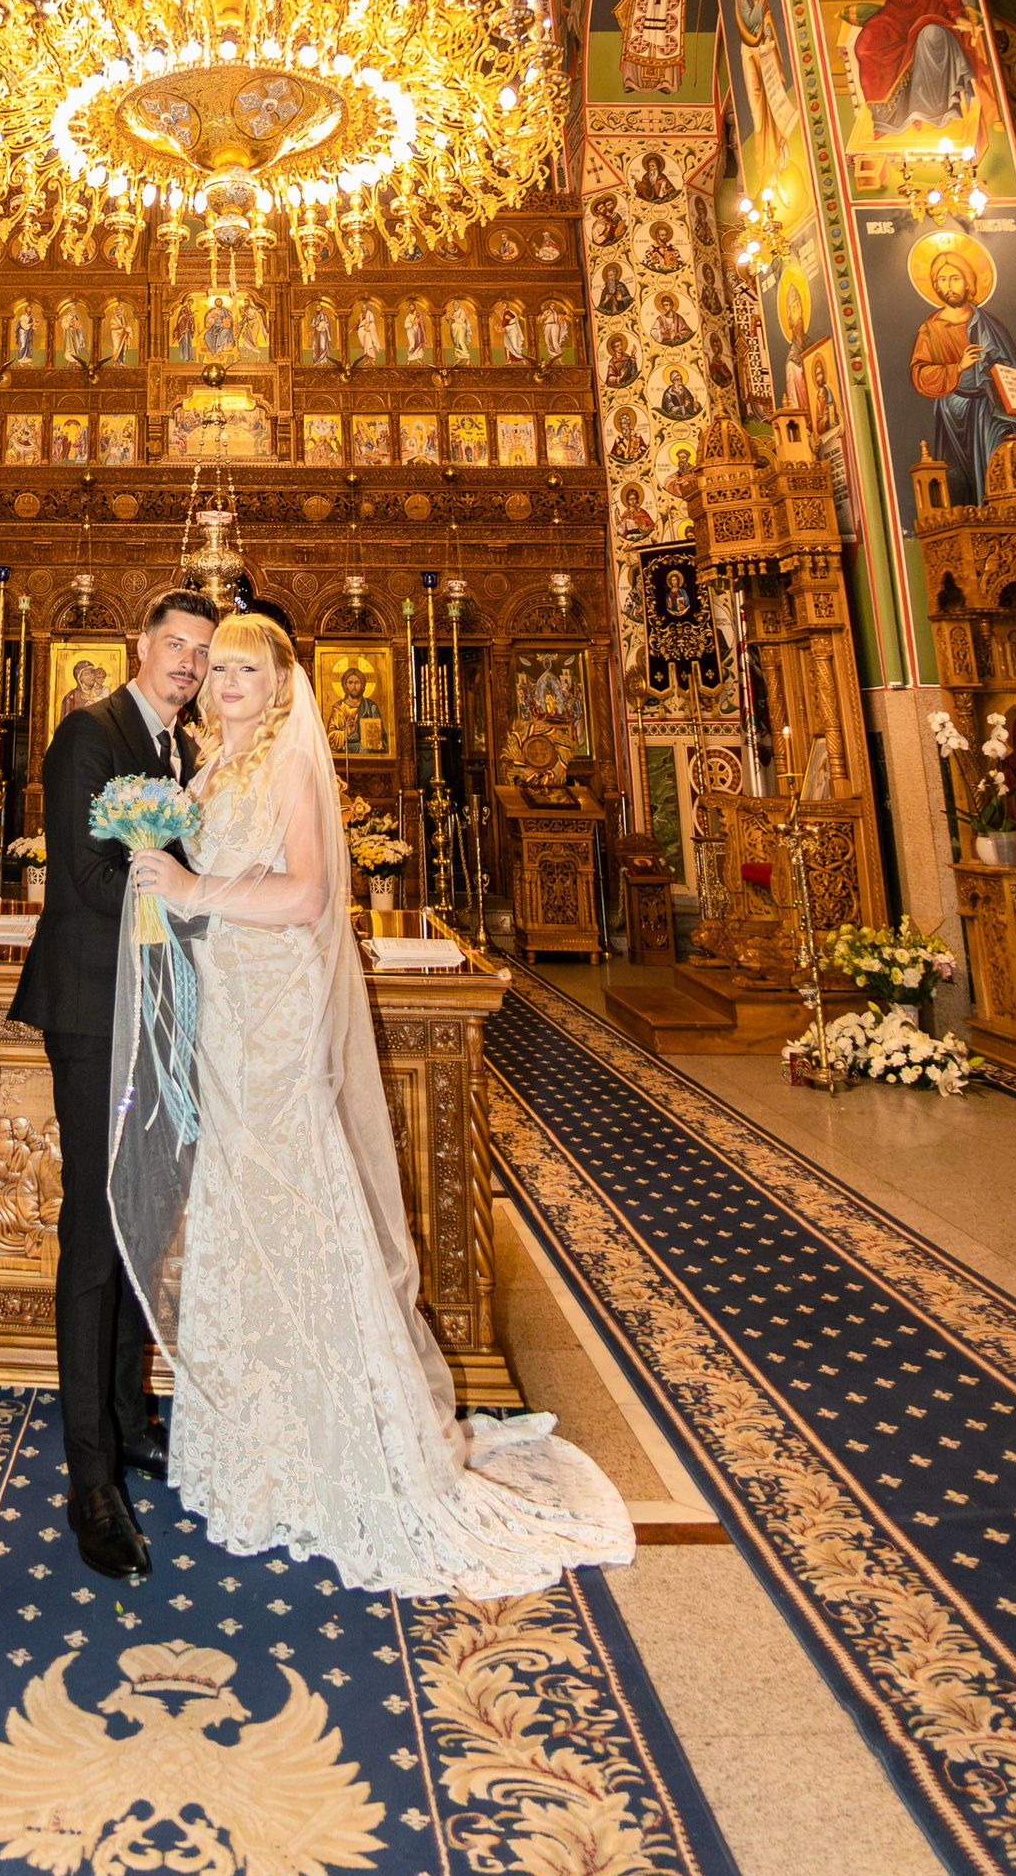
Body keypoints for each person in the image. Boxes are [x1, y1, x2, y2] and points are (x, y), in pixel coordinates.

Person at [116, 614, 633, 1596]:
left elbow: (308, 897)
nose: (223, 681)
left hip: (273, 1012)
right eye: (215, 667)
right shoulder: (210, 768)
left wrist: (193, 887)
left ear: (280, 682)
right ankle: (253, 1433)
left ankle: (335, 1432)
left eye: (243, 669)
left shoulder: (289, 771)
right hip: (225, 1011)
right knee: (238, 1211)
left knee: (295, 1205)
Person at [14, 587, 215, 1583]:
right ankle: (87, 1478)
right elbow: (85, 884)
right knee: (94, 1240)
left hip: (163, 1017)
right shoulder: (87, 736)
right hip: (95, 1014)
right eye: (173, 644)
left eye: (200, 652)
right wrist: (199, 905)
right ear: (140, 646)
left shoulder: (185, 750)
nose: (185, 663)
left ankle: (131, 1420)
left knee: (144, 1220)